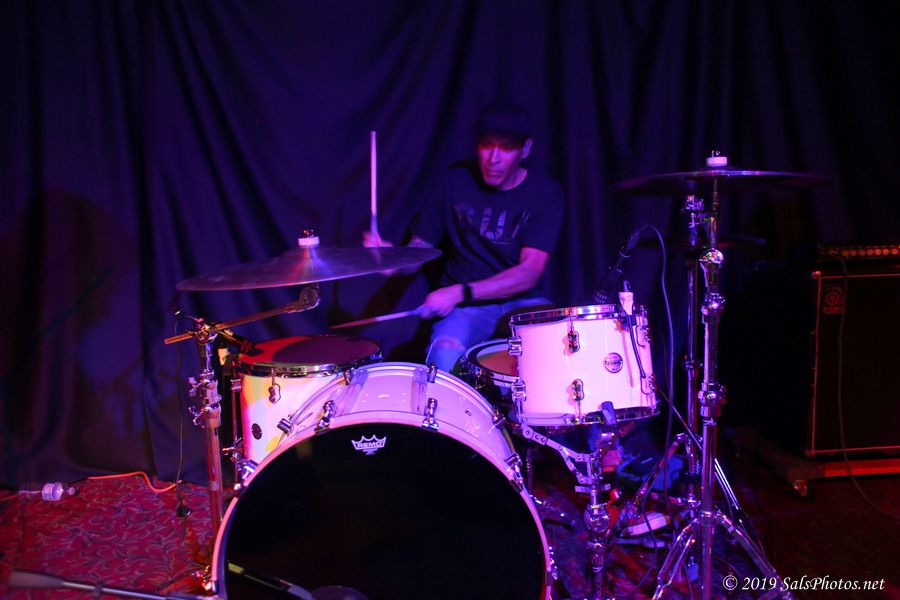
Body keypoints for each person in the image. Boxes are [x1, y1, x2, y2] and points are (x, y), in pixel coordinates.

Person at [364, 101, 564, 372]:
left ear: (525, 149)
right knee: (443, 357)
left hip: (524, 301)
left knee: (553, 358)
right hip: (467, 308)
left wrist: (458, 292)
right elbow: (419, 250)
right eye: (486, 145)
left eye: (506, 148)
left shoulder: (545, 193)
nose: (493, 159)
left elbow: (529, 272)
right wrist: (392, 262)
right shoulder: (453, 182)